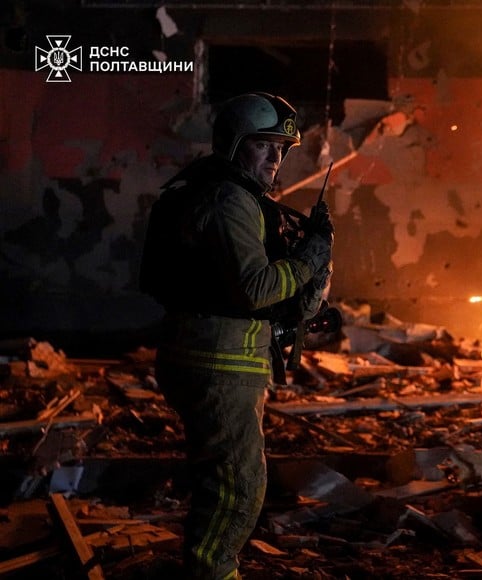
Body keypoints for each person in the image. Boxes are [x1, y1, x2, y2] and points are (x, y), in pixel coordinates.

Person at [139, 92, 333, 579]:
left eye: (282, 149)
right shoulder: (230, 199)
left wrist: (310, 284)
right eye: (264, 146)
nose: (276, 158)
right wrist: (308, 260)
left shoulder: (222, 193)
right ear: (233, 144)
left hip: (218, 358)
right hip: (219, 364)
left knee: (221, 483)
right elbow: (254, 289)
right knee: (238, 488)